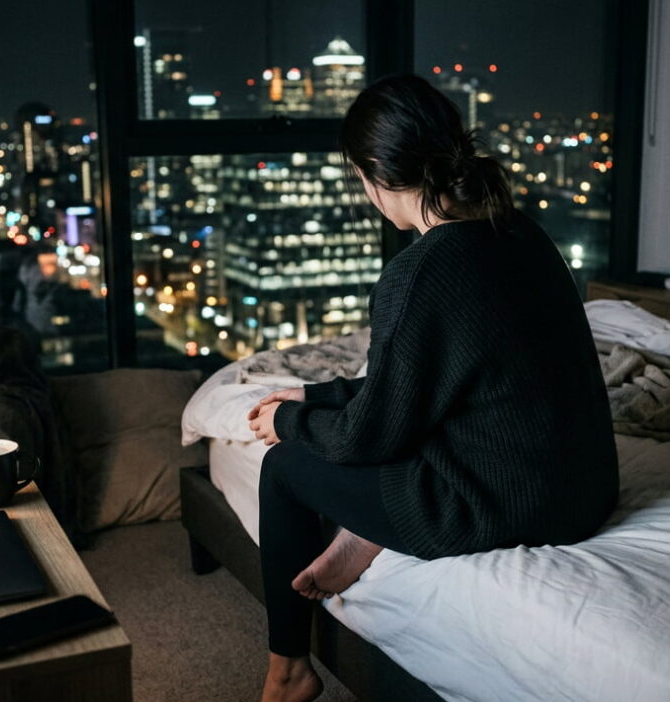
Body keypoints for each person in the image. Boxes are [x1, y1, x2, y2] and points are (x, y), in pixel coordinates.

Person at [246, 74, 619, 702]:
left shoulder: (420, 271)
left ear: (373, 174)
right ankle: (369, 533)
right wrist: (315, 397)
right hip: (586, 491)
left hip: (504, 504)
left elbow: (375, 432)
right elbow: (426, 379)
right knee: (419, 418)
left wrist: (287, 424)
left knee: (285, 467)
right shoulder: (522, 232)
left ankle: (289, 670)